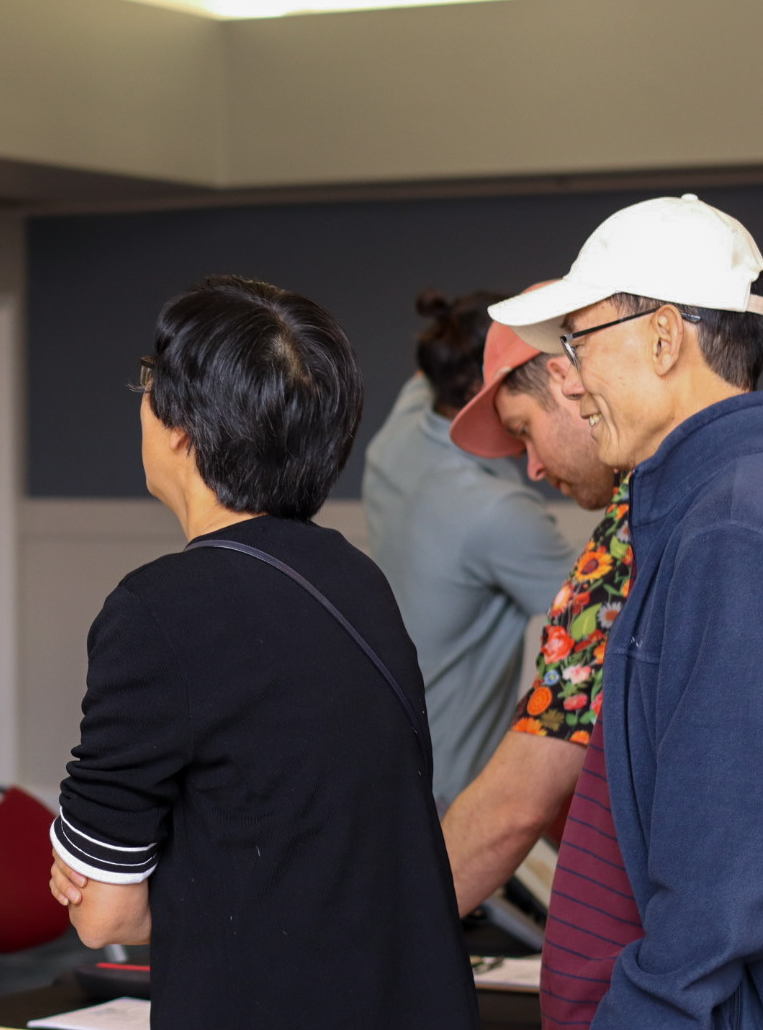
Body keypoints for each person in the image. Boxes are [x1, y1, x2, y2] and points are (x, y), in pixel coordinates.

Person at [47, 276, 479, 1029]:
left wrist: (158, 876)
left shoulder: (159, 608)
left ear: (183, 427)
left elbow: (104, 915)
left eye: (149, 382)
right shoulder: (357, 578)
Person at [487, 194, 763, 1028]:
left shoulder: (737, 530)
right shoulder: (710, 509)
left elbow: (725, 887)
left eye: (579, 344)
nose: (571, 379)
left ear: (664, 339)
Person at [362, 289, 576, 806]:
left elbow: (429, 373)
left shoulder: (405, 421)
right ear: (484, 389)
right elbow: (604, 616)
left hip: (384, 766)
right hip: (449, 796)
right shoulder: (496, 514)